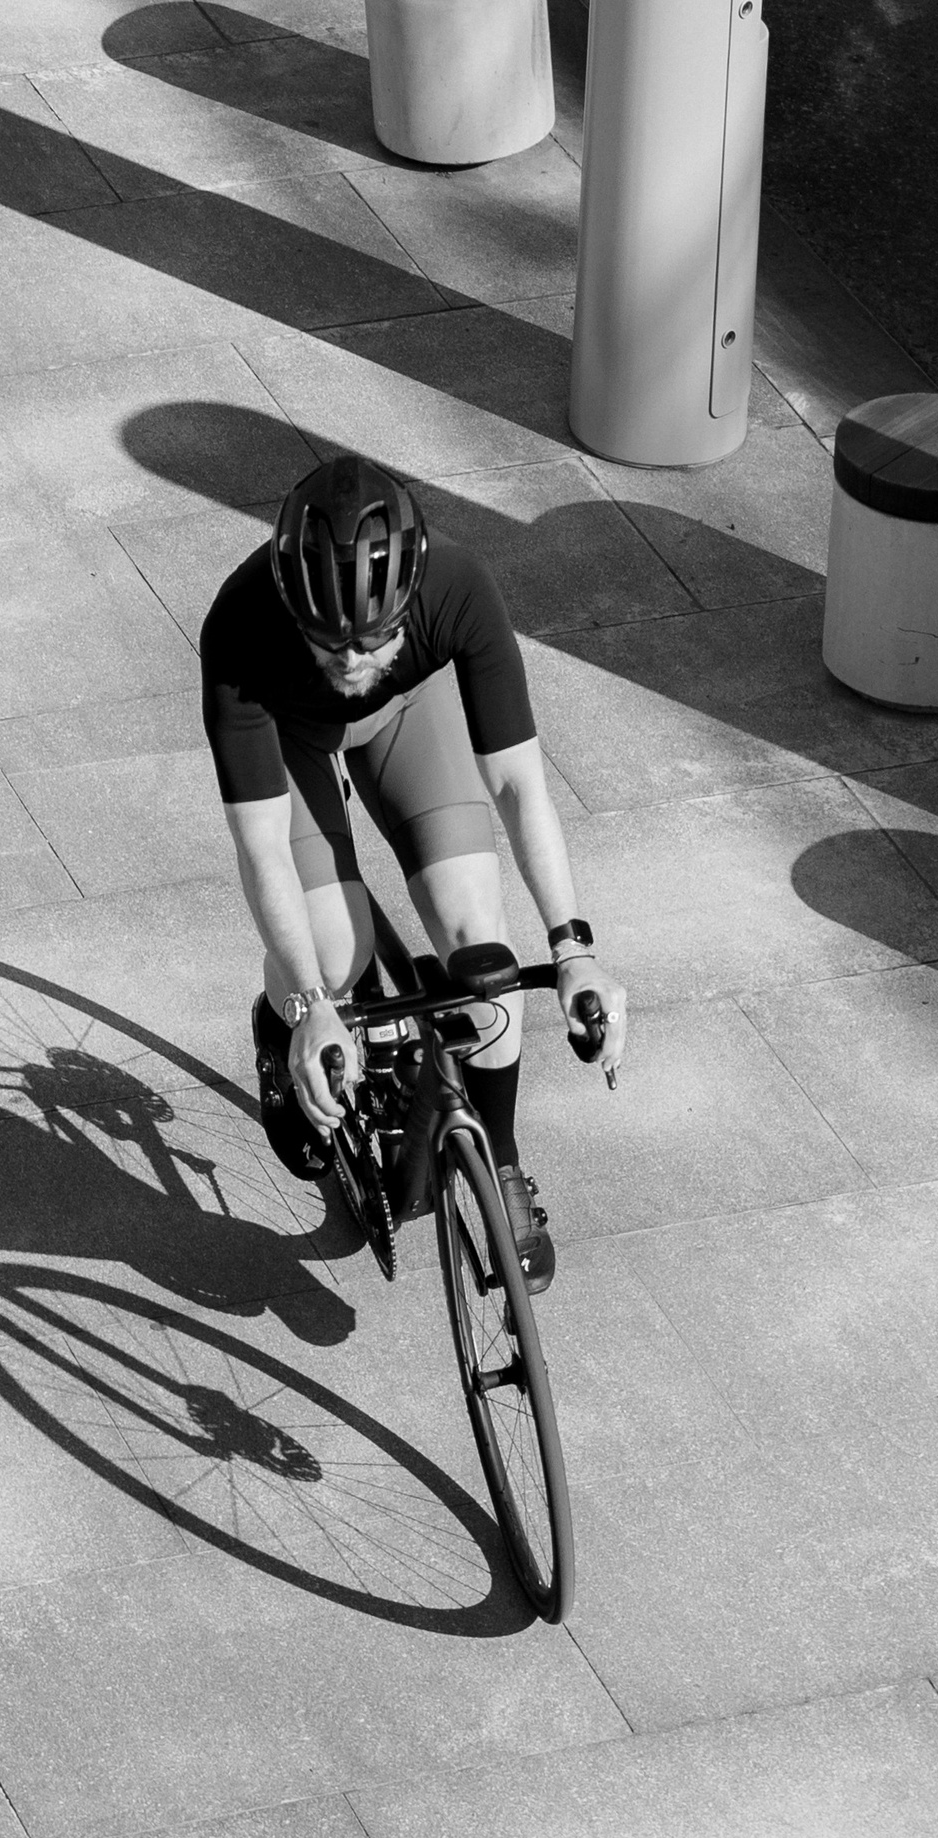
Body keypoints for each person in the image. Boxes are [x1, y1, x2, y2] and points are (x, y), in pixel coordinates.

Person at [200, 453, 629, 1290]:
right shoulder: (242, 631)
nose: (356, 661)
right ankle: (285, 1024)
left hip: (407, 719)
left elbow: (517, 783)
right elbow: (259, 853)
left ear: (411, 601)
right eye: (333, 641)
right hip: (290, 733)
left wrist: (573, 945)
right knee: (332, 952)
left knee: (486, 960)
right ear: (294, 606)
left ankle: (499, 1166)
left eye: (376, 637)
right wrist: (311, 1008)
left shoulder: (458, 587)